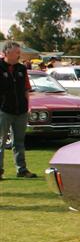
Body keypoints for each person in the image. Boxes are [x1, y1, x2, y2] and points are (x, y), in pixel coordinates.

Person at [0, 42, 37, 179]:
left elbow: (26, 88)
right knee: (1, 142)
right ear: (7, 52)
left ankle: (22, 170)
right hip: (3, 110)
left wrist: (28, 106)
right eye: (16, 52)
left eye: (18, 52)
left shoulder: (22, 68)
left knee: (19, 142)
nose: (19, 54)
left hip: (21, 111)